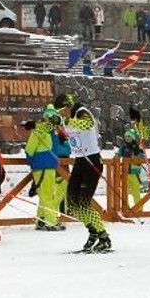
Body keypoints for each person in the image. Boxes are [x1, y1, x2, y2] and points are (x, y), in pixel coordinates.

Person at [53, 91, 112, 253]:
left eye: (62, 110)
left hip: (92, 160)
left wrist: (65, 120)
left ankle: (104, 237)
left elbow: (88, 125)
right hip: (79, 161)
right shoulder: (68, 117)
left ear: (69, 106)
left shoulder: (82, 112)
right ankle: (92, 231)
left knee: (84, 203)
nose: (62, 113)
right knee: (72, 202)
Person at [23, 105, 67, 231]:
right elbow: (29, 149)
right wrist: (33, 162)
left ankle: (41, 220)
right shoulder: (40, 131)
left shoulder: (51, 133)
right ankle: (51, 222)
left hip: (48, 165)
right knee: (48, 195)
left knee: (45, 195)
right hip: (43, 166)